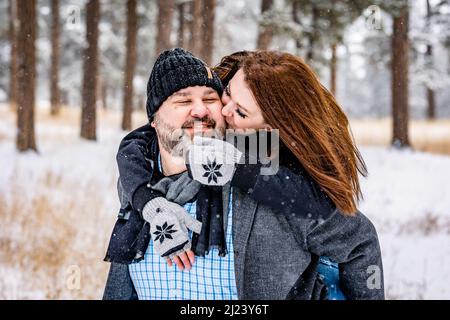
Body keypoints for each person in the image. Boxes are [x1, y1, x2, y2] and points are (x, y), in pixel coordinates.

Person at [103, 48, 384, 300]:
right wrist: (145, 200)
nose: (204, 109)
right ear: (153, 119)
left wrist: (241, 170)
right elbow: (135, 144)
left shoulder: (271, 181)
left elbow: (357, 239)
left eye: (211, 98)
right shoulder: (140, 180)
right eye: (182, 100)